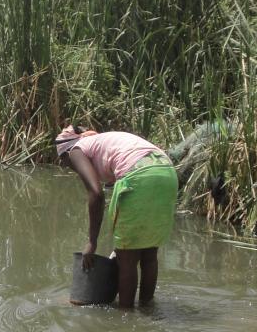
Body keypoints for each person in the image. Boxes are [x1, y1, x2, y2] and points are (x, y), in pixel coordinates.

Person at [56, 125, 177, 308]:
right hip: (166, 171)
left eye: (64, 161)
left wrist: (92, 242)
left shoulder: (75, 150)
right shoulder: (102, 143)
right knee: (149, 252)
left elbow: (96, 194)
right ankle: (147, 308)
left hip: (139, 174)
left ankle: (126, 320)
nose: (66, 165)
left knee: (127, 257)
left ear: (66, 151)